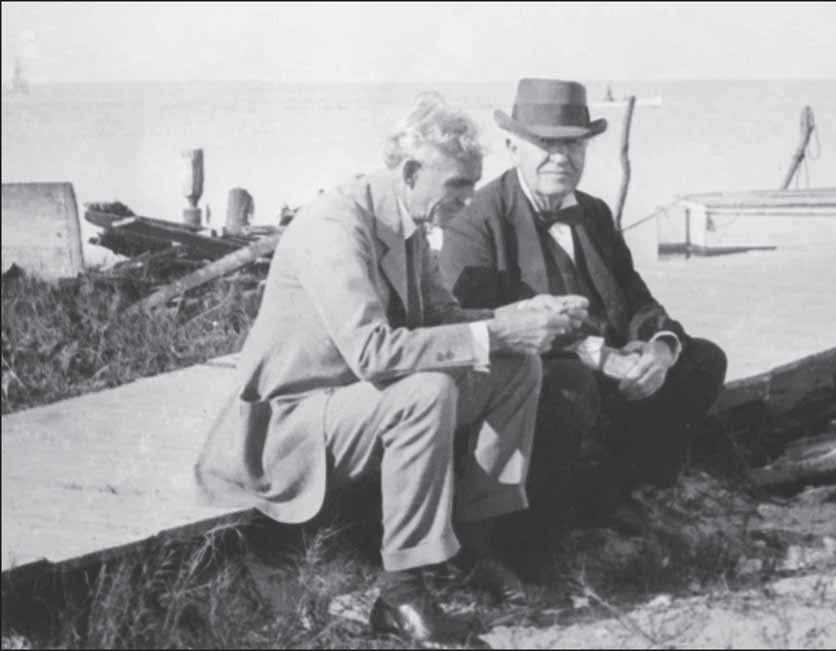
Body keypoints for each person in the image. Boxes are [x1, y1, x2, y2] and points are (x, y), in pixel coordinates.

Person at [194, 93, 588, 649]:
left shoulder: (405, 220)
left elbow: (447, 321)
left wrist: (518, 319)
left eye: (473, 184)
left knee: (515, 367)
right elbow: (374, 353)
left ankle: (474, 546)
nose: (468, 199)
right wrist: (496, 331)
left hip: (348, 406)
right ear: (410, 171)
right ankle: (402, 592)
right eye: (457, 185)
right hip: (287, 427)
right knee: (425, 392)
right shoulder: (334, 224)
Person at [438, 78, 728, 550]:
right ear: (512, 146)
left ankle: (623, 493)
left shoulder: (593, 213)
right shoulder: (475, 222)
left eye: (573, 144)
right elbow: (475, 323)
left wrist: (659, 347)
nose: (561, 157)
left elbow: (638, 301)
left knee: (703, 360)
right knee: (568, 386)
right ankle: (536, 533)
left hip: (614, 371)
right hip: (536, 374)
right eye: (545, 144)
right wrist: (595, 355)